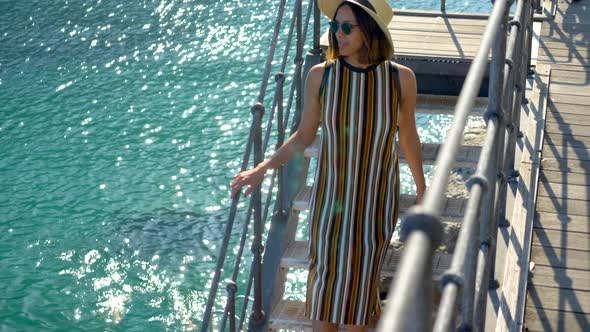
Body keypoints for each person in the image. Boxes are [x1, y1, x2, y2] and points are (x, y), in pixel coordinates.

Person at [231, 0, 425, 331]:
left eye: (347, 27)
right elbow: (303, 137)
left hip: (374, 207)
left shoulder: (399, 79)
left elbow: (407, 135)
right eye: (335, 26)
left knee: (360, 308)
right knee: (323, 304)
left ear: (369, 30)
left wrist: (422, 189)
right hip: (330, 208)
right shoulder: (320, 76)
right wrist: (262, 168)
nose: (338, 34)